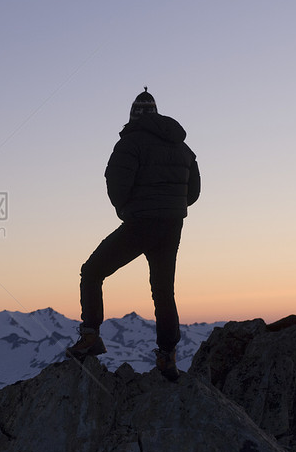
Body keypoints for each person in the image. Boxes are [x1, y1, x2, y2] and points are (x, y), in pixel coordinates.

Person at [67, 87, 200, 381]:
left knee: (92, 272)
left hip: (141, 222)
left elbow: (116, 182)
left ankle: (90, 337)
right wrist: (171, 206)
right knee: (163, 291)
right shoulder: (183, 148)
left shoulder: (131, 143)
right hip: (172, 225)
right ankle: (168, 358)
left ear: (133, 116)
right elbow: (194, 193)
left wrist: (127, 208)